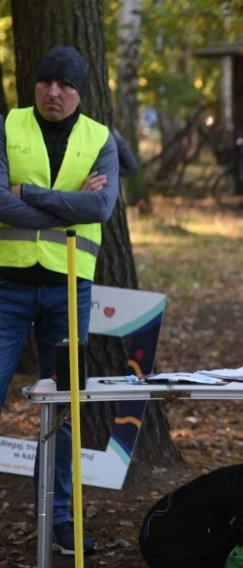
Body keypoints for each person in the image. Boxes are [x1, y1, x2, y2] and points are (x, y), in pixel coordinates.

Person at [0, 45, 120, 555]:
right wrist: (70, 209)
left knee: (65, 410)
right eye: (46, 81)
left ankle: (61, 525)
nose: (54, 92)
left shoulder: (101, 139)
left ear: (80, 92)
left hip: (72, 288)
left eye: (65, 85)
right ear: (35, 85)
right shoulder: (6, 125)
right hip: (6, 287)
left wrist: (27, 194)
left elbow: (102, 206)